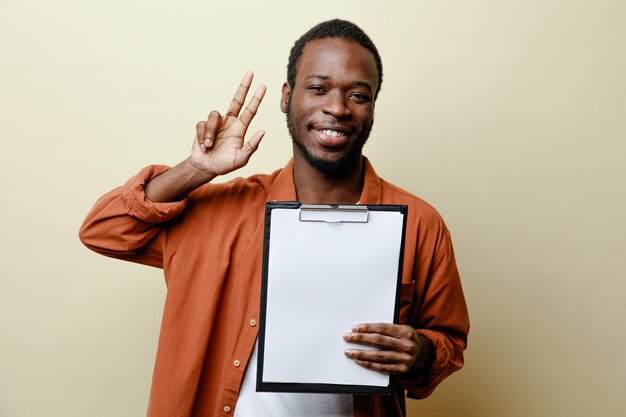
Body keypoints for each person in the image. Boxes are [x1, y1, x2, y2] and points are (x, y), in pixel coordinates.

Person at [79, 19, 469, 417]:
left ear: (372, 107)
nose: (336, 108)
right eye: (318, 88)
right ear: (287, 97)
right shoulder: (221, 211)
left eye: (358, 95)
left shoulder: (419, 224)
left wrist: (420, 352)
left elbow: (448, 342)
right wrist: (197, 170)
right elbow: (104, 230)